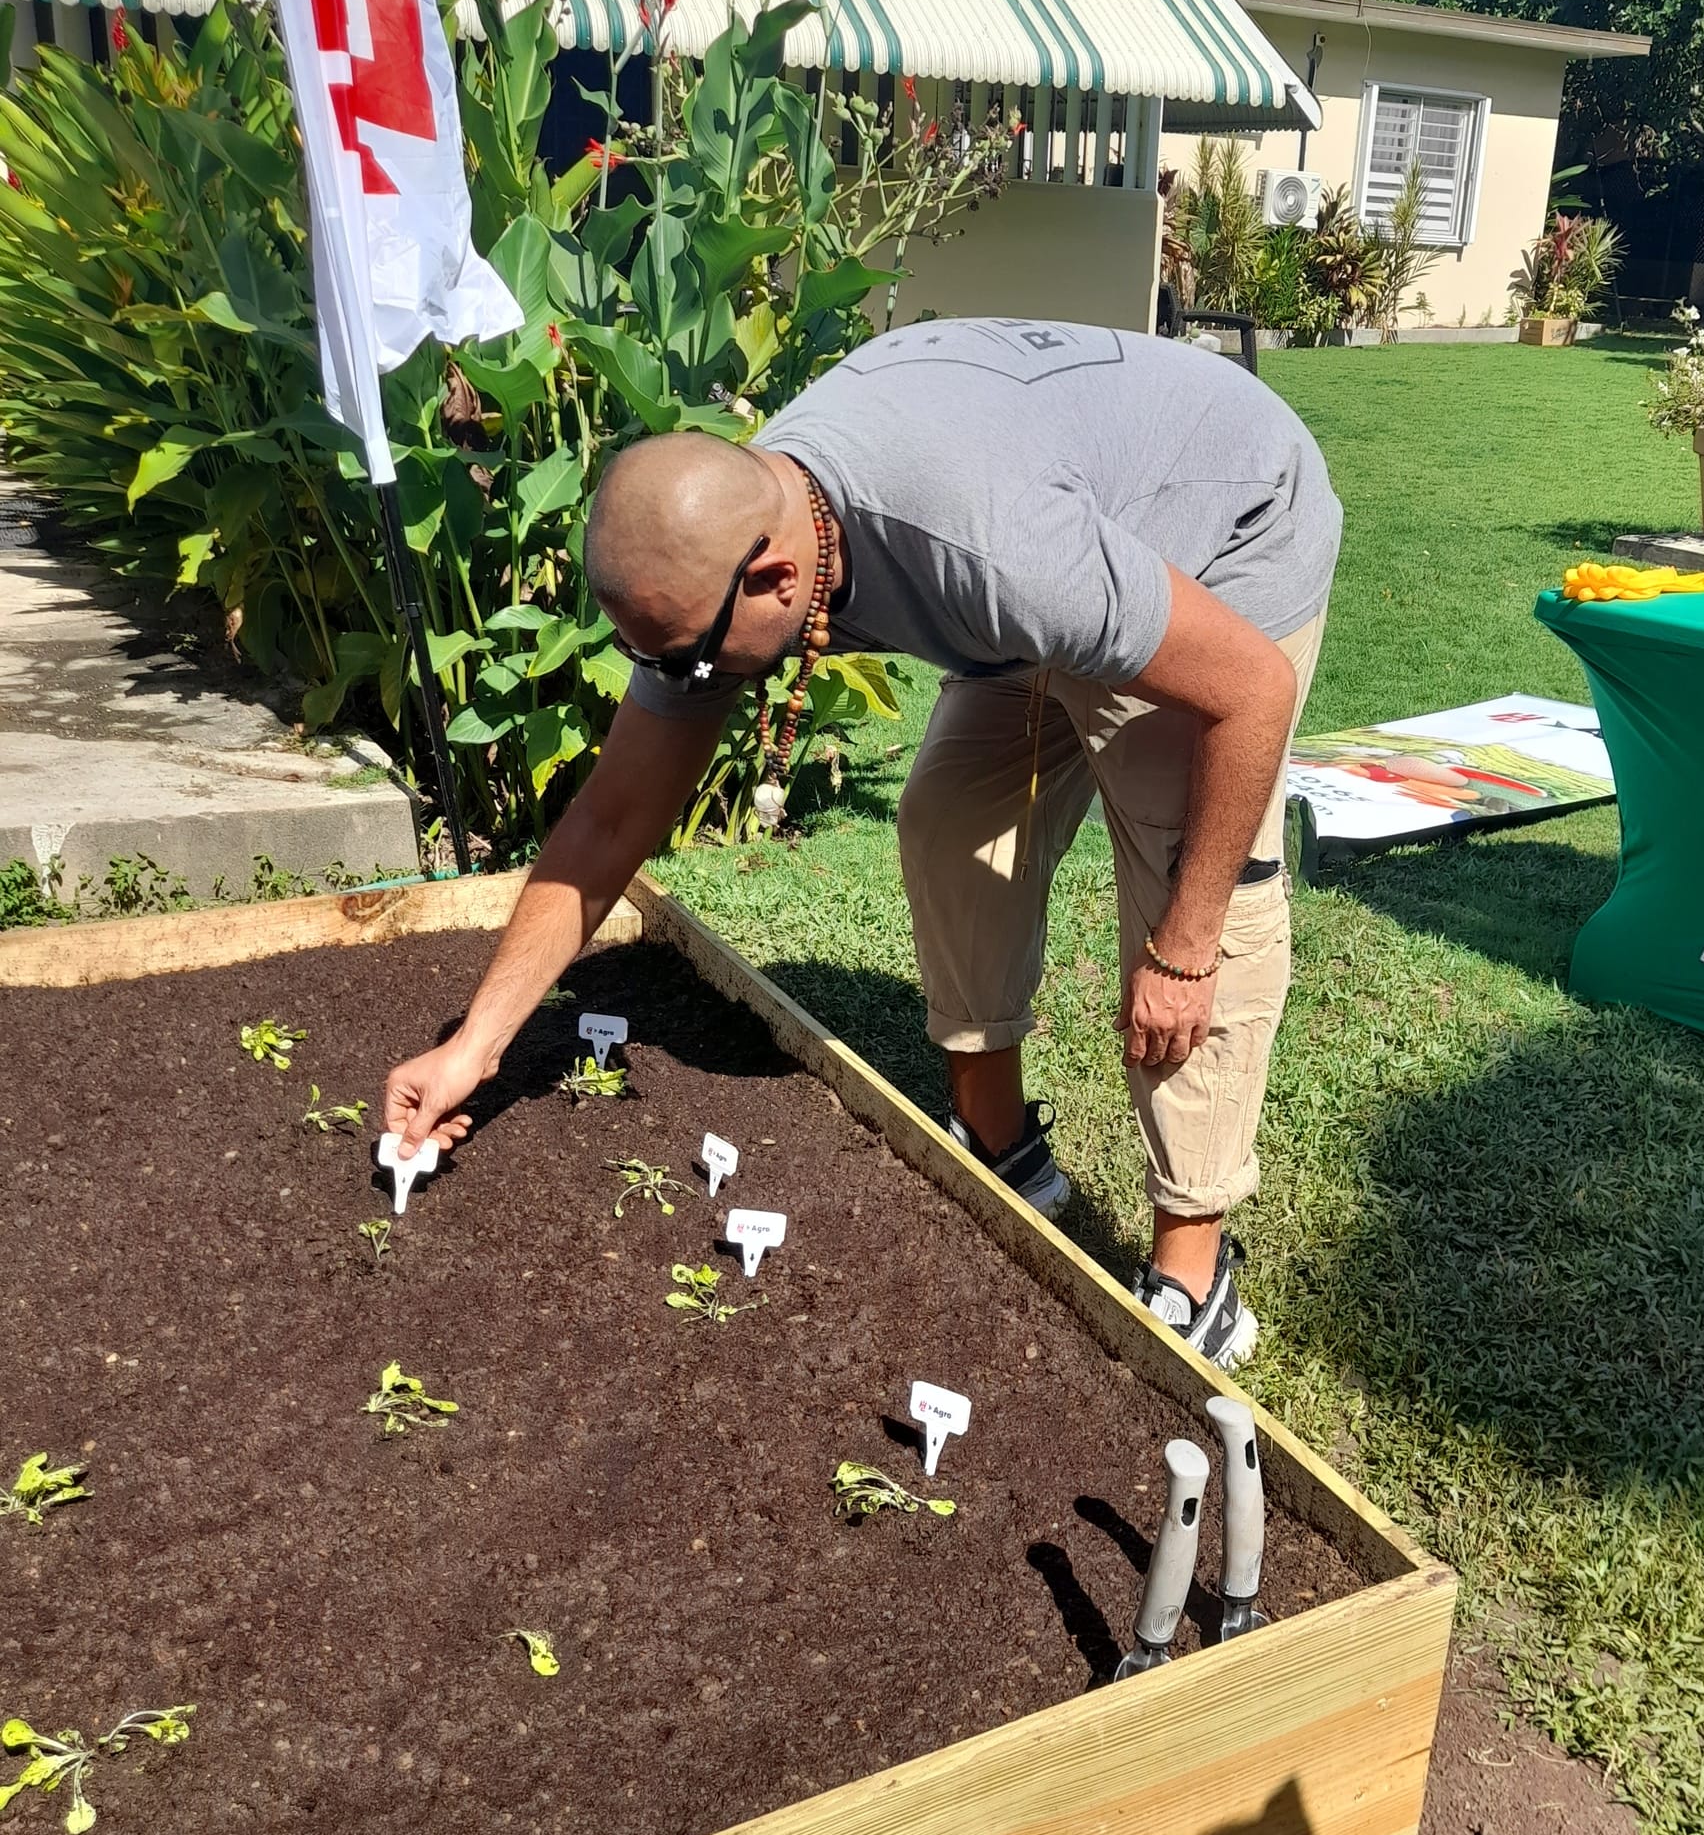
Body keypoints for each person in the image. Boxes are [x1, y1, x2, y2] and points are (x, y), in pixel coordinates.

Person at [385, 317, 1340, 1370]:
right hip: (1061, 531)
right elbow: (611, 818)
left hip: (1219, 530)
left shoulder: (992, 550)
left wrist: (1188, 943)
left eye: (680, 656)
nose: (670, 678)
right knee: (949, 821)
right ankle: (998, 1141)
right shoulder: (723, 559)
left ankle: (1195, 1270)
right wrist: (478, 1045)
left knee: (1186, 871)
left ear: (779, 580)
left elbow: (1251, 690)